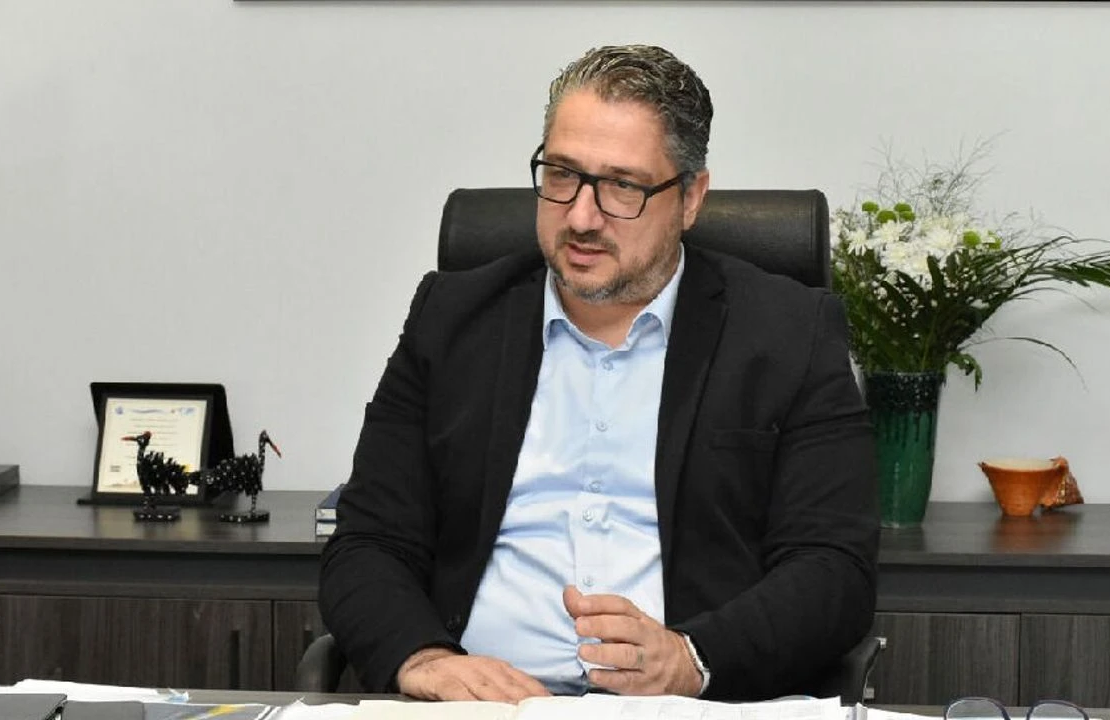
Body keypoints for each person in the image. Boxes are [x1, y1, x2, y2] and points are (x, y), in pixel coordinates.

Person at [318, 44, 879, 703]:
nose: (582, 217)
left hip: (686, 709)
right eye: (562, 175)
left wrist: (694, 658)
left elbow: (833, 569)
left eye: (622, 187)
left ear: (691, 198)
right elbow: (368, 540)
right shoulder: (452, 319)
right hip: (481, 708)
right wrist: (424, 659)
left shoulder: (788, 333)